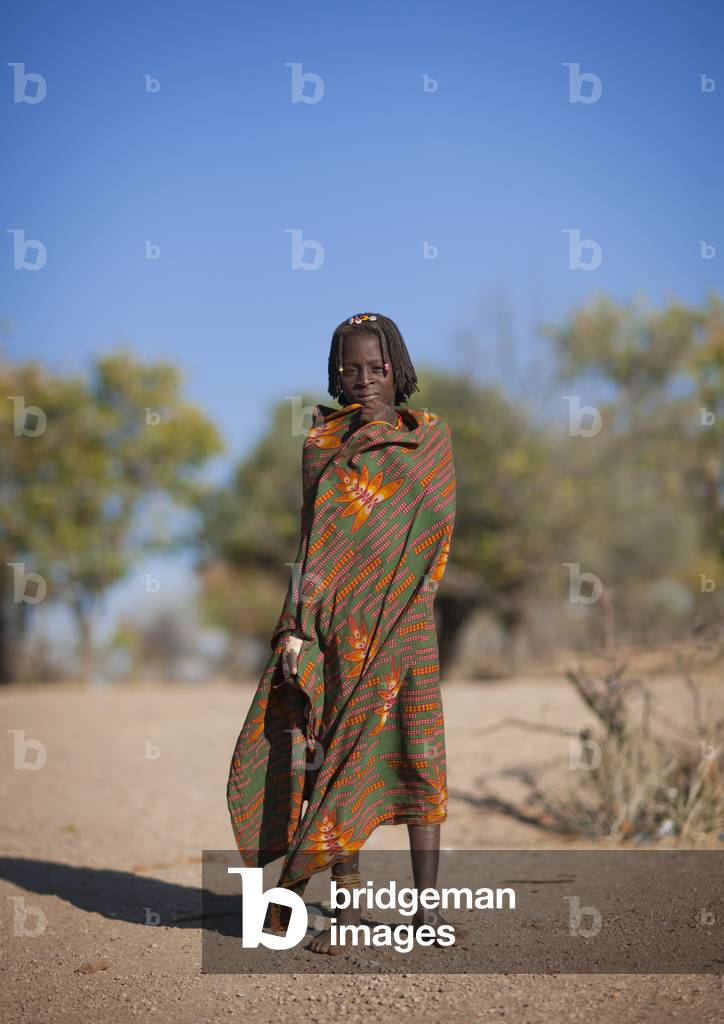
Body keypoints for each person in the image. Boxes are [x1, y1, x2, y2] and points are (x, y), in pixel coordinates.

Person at [227, 312, 457, 954]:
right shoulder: (320, 445)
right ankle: (349, 915)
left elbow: (435, 526)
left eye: (375, 368)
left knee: (419, 756)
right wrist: (295, 625)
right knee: (334, 760)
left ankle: (428, 912)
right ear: (335, 374)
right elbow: (312, 544)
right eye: (349, 369)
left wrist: (404, 598)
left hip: (406, 623)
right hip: (335, 630)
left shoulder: (430, 439)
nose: (362, 380)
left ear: (398, 369)